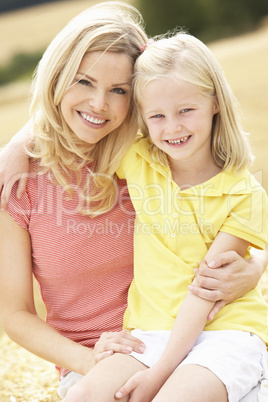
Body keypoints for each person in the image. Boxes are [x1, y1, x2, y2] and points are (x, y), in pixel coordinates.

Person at [0, 3, 266, 400]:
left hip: (204, 336)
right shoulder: (20, 183)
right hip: (96, 357)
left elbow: (227, 213)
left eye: (119, 90)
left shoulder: (146, 156)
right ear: (57, 77)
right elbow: (15, 314)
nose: (99, 104)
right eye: (83, 82)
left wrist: (256, 264)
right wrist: (89, 361)